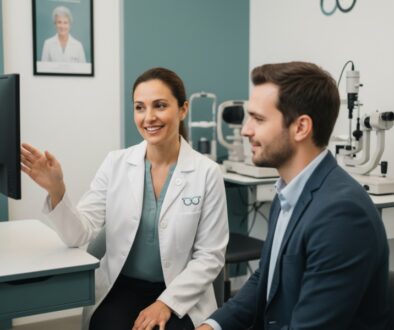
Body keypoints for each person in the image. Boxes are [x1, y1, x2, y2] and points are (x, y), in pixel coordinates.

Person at [21, 67, 228, 330]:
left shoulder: (207, 173)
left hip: (181, 292)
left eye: (160, 106)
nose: (149, 117)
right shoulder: (116, 163)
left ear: (183, 109)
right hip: (121, 286)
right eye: (140, 107)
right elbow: (78, 235)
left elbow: (210, 256)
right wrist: (56, 189)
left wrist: (166, 303)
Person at [197, 62, 390, 330]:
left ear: (301, 127)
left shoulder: (341, 215)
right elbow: (266, 278)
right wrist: (212, 326)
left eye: (259, 119)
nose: (245, 130)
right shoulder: (289, 190)